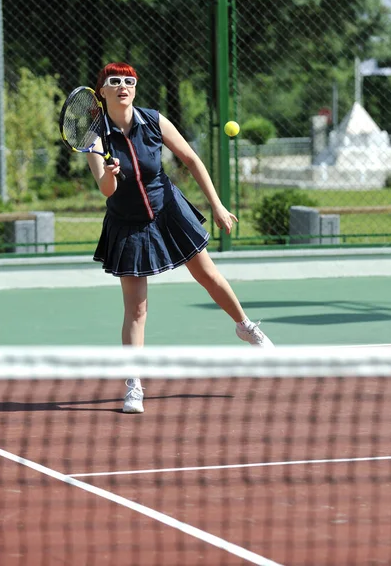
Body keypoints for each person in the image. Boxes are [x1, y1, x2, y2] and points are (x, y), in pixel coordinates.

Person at [86, 62, 274, 414]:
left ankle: (246, 327)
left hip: (169, 209)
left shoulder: (154, 121)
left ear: (135, 90)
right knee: (136, 308)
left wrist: (217, 205)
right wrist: (111, 174)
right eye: (115, 82)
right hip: (128, 222)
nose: (123, 86)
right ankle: (134, 385)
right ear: (103, 91)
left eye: (130, 81)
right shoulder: (95, 137)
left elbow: (191, 159)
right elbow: (107, 191)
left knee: (208, 275)